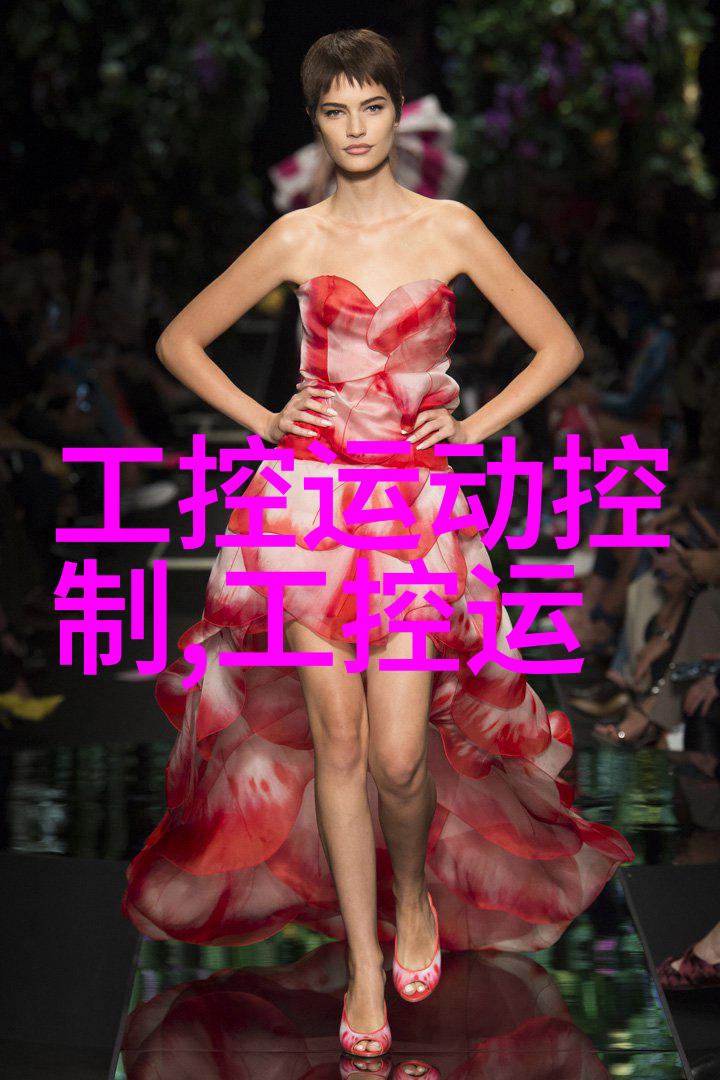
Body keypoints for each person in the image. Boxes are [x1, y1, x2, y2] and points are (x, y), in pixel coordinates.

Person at [121, 28, 635, 1060]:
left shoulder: (451, 228)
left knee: (402, 758)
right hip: (308, 509)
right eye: (334, 110)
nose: (354, 128)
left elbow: (558, 344)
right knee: (342, 746)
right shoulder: (297, 237)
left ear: (399, 113)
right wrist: (266, 418)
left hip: (413, 513)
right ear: (316, 122)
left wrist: (477, 427)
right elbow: (179, 338)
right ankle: (364, 958)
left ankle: (414, 900)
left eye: (371, 106)